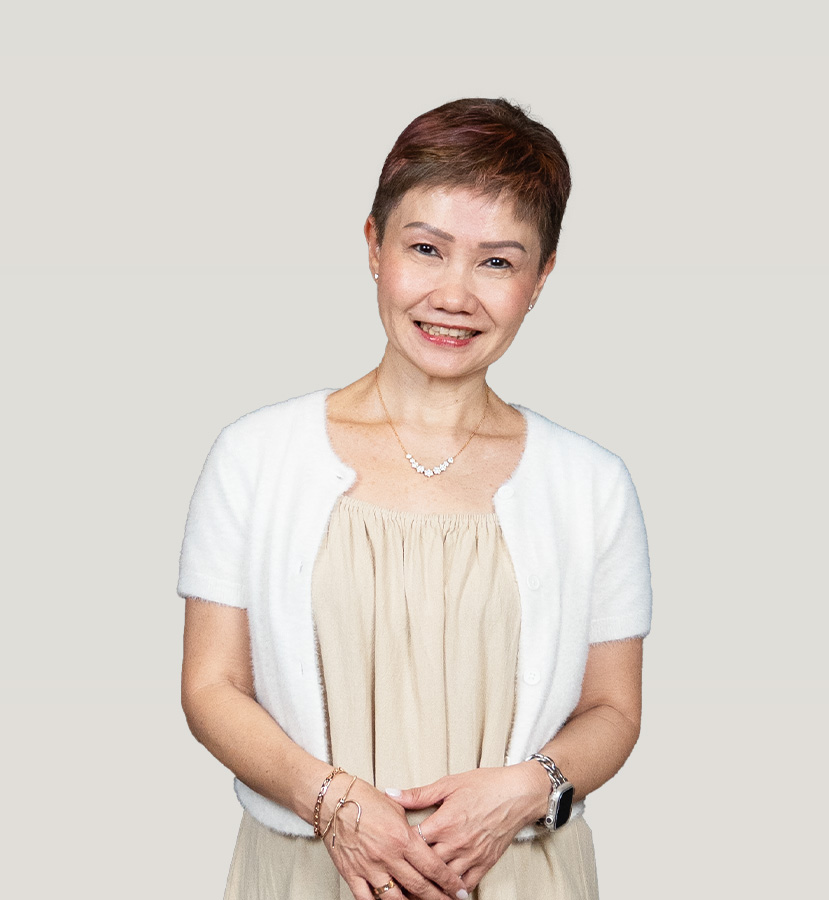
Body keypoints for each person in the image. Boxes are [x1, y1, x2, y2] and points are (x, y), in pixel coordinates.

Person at [178, 97, 652, 900]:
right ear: (374, 245)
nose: (454, 295)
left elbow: (614, 709)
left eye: (497, 262)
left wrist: (525, 791)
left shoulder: (590, 484)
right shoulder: (256, 456)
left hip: (518, 877)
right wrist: (331, 804)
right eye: (426, 249)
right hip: (308, 873)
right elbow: (210, 688)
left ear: (541, 278)